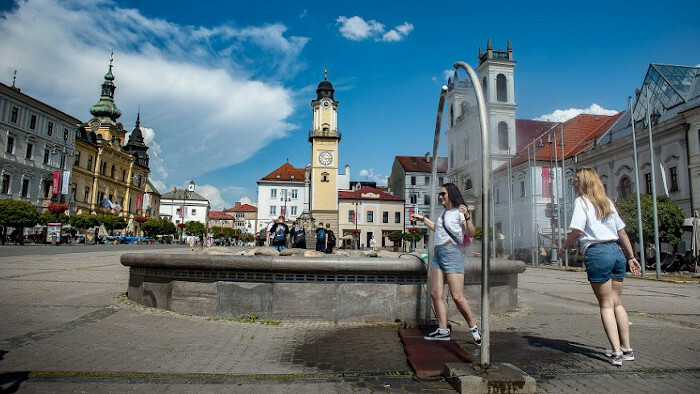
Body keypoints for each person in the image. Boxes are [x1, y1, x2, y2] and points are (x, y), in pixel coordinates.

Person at [557, 167, 642, 366]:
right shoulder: (607, 202)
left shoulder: (581, 202)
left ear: (584, 182)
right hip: (616, 252)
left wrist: (563, 247)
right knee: (617, 303)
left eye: (576, 180)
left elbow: (577, 231)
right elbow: (621, 232)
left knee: (605, 304)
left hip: (597, 253)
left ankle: (615, 352)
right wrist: (631, 256)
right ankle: (627, 349)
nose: (573, 184)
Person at [411, 182, 481, 344]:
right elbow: (438, 229)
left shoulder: (459, 212)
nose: (440, 196)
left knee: (457, 296)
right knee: (436, 294)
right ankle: (443, 330)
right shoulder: (444, 213)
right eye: (440, 194)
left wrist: (468, 216)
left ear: (451, 194)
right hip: (438, 254)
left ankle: (473, 328)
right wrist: (423, 219)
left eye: (443, 194)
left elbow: (471, 233)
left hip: (453, 254)